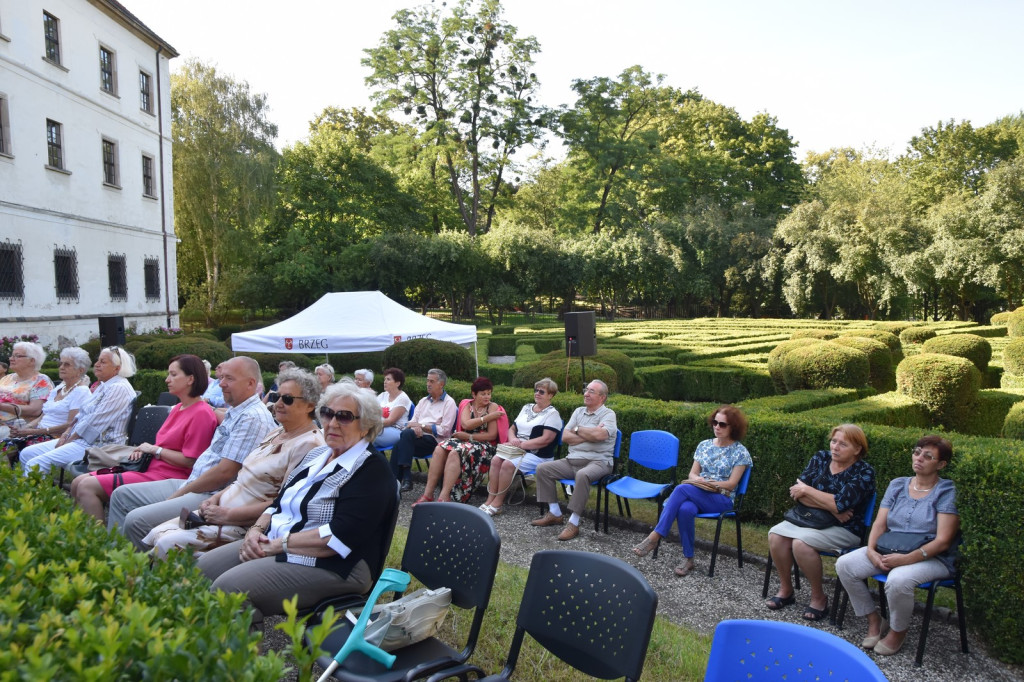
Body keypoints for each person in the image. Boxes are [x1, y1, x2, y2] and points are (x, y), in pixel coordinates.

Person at [196, 381, 397, 622]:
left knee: (230, 589)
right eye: (327, 413)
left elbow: (339, 536)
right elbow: (278, 503)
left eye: (344, 417)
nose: (332, 423)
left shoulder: (371, 470)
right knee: (202, 569)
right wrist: (255, 531)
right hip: (278, 542)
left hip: (338, 564)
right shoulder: (317, 455)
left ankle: (241, 658)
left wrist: (278, 545)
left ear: (365, 426)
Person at [143, 368, 325, 557]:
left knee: (166, 543)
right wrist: (213, 499)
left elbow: (284, 502)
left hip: (247, 525)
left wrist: (227, 515)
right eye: (277, 397)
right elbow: (242, 477)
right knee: (156, 533)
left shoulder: (308, 444)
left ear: (309, 406)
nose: (278, 404)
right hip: (219, 511)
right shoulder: (278, 432)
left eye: (287, 399)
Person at [108, 356, 276, 550]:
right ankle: (116, 555)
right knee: (122, 495)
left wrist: (181, 492)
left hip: (209, 494)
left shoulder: (252, 418)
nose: (221, 383)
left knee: (136, 520)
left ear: (250, 383)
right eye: (221, 378)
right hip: (193, 482)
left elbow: (225, 473)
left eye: (229, 378)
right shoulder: (236, 411)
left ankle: (140, 573)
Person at [836, 436, 959, 656]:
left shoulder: (946, 490)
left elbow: (943, 541)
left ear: (941, 465)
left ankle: (897, 631)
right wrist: (872, 551)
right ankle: (875, 621)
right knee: (845, 564)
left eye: (928, 456)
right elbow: (879, 523)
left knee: (898, 579)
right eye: (917, 451)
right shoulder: (898, 484)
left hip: (932, 556)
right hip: (889, 548)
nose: (919, 458)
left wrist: (907, 559)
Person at [70, 355, 218, 521]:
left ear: (190, 379)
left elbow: (190, 461)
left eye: (174, 375)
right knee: (78, 481)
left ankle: (100, 542)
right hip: (151, 467)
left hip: (169, 476)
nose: (167, 380)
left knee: (86, 486)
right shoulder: (179, 408)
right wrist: (146, 450)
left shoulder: (201, 413)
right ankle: (83, 535)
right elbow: (164, 445)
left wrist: (155, 450)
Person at [765, 423, 876, 621]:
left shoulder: (864, 472)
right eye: (834, 441)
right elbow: (796, 494)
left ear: (857, 449)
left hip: (845, 527)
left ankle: (818, 597)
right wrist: (831, 507)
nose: (835, 447)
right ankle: (786, 589)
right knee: (776, 535)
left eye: (843, 444)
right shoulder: (820, 458)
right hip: (808, 518)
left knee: (801, 544)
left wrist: (809, 491)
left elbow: (836, 502)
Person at [632, 405, 752, 577]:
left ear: (733, 427)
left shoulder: (740, 452)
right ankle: (688, 559)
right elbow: (692, 473)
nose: (717, 427)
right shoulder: (704, 445)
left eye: (722, 424)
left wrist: (712, 483)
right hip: (698, 491)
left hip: (721, 498)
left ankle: (654, 537)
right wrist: (698, 480)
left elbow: (732, 484)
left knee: (681, 489)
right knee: (684, 509)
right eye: (715, 422)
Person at [20, 347, 136, 476]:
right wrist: (66, 434)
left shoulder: (119, 388)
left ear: (117, 368)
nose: (96, 365)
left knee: (35, 464)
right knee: (27, 453)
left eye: (103, 362)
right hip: (81, 439)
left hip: (99, 446)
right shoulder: (104, 386)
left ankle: (39, 495)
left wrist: (69, 440)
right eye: (98, 361)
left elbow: (94, 423)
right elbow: (81, 415)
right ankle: (42, 488)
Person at [531, 380, 617, 542]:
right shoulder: (578, 411)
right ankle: (555, 513)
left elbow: (600, 436)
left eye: (592, 391)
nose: (586, 394)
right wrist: (588, 434)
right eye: (586, 390)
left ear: (602, 397)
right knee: (543, 468)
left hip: (598, 462)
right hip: (572, 460)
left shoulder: (608, 414)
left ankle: (574, 522)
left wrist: (577, 431)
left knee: (583, 475)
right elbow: (565, 436)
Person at [415, 377, 507, 505]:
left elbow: (491, 435)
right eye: (483, 394)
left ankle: (444, 496)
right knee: (440, 448)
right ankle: (428, 494)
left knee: (455, 452)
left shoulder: (493, 407)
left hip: (484, 445)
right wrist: (487, 418)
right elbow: (466, 424)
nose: (487, 397)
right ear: (474, 394)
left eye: (489, 393)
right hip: (464, 439)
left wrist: (469, 437)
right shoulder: (466, 404)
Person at [479, 377, 562, 516]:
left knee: (507, 464)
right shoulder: (526, 408)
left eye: (542, 392)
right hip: (517, 449)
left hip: (538, 455)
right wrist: (513, 441)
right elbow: (512, 429)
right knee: (495, 460)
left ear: (551, 395)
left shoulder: (553, 414)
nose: (537, 393)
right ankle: (490, 499)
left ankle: (498, 504)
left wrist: (522, 445)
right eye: (536, 390)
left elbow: (546, 439)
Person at [3, 347, 91, 464]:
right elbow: (42, 416)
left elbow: (71, 424)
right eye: (61, 363)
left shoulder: (81, 391)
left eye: (67, 365)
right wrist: (26, 428)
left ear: (80, 370)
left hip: (56, 437)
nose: (61, 367)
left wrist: (34, 432)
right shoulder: (60, 388)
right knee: (5, 446)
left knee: (9, 450)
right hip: (39, 432)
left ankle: (24, 480)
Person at [388, 368, 457, 493]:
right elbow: (410, 423)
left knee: (401, 442)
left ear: (441, 384)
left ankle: (398, 481)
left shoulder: (449, 403)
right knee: (402, 441)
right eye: (427, 381)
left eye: (432, 381)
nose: (428, 384)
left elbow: (445, 431)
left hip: (436, 442)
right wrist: (415, 427)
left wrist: (422, 426)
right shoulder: (423, 401)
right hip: (415, 439)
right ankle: (400, 482)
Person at [0, 341, 54, 429]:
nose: (11, 359)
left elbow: (35, 410)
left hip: (19, 429)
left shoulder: (41, 380)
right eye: (12, 355)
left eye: (17, 356)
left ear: (32, 361)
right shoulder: (7, 378)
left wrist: (2, 406)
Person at [373, 367, 413, 449]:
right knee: (358, 436)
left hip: (396, 431)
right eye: (385, 379)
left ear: (397, 383)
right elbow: (371, 411)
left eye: (388, 379)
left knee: (365, 433)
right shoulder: (383, 395)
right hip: (380, 428)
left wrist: (369, 424)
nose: (385, 382)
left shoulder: (403, 398)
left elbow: (390, 421)